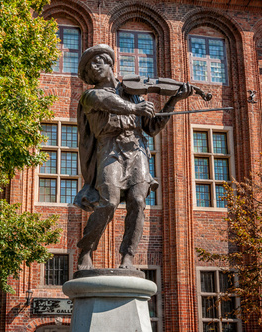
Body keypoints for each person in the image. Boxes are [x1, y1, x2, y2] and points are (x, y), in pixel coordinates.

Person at [73, 44, 193, 270]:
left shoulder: (134, 95)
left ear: (110, 63)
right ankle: (86, 249)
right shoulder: (91, 95)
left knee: (138, 202)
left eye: (98, 61)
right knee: (108, 201)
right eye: (90, 66)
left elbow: (153, 127)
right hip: (109, 149)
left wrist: (173, 101)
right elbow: (106, 101)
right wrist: (133, 109)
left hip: (137, 150)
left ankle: (127, 257)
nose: (95, 66)